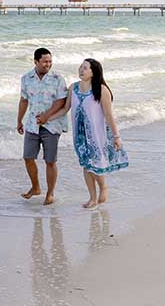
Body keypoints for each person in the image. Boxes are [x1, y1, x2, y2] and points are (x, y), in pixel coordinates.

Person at [50, 58, 128, 209]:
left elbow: (109, 115)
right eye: (81, 67)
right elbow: (65, 109)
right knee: (86, 165)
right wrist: (47, 118)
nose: (81, 70)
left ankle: (103, 187)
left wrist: (117, 137)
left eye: (85, 68)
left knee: (96, 165)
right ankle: (92, 197)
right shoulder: (73, 88)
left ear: (93, 72)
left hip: (97, 135)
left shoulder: (101, 90)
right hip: (79, 135)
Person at [16, 47, 69, 205]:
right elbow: (24, 100)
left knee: (50, 161)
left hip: (52, 125)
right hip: (32, 124)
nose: (48, 64)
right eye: (45, 61)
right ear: (36, 61)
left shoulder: (58, 78)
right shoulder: (26, 78)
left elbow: (61, 101)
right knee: (28, 157)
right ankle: (35, 187)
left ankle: (50, 193)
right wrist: (19, 120)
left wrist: (47, 116)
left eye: (50, 61)